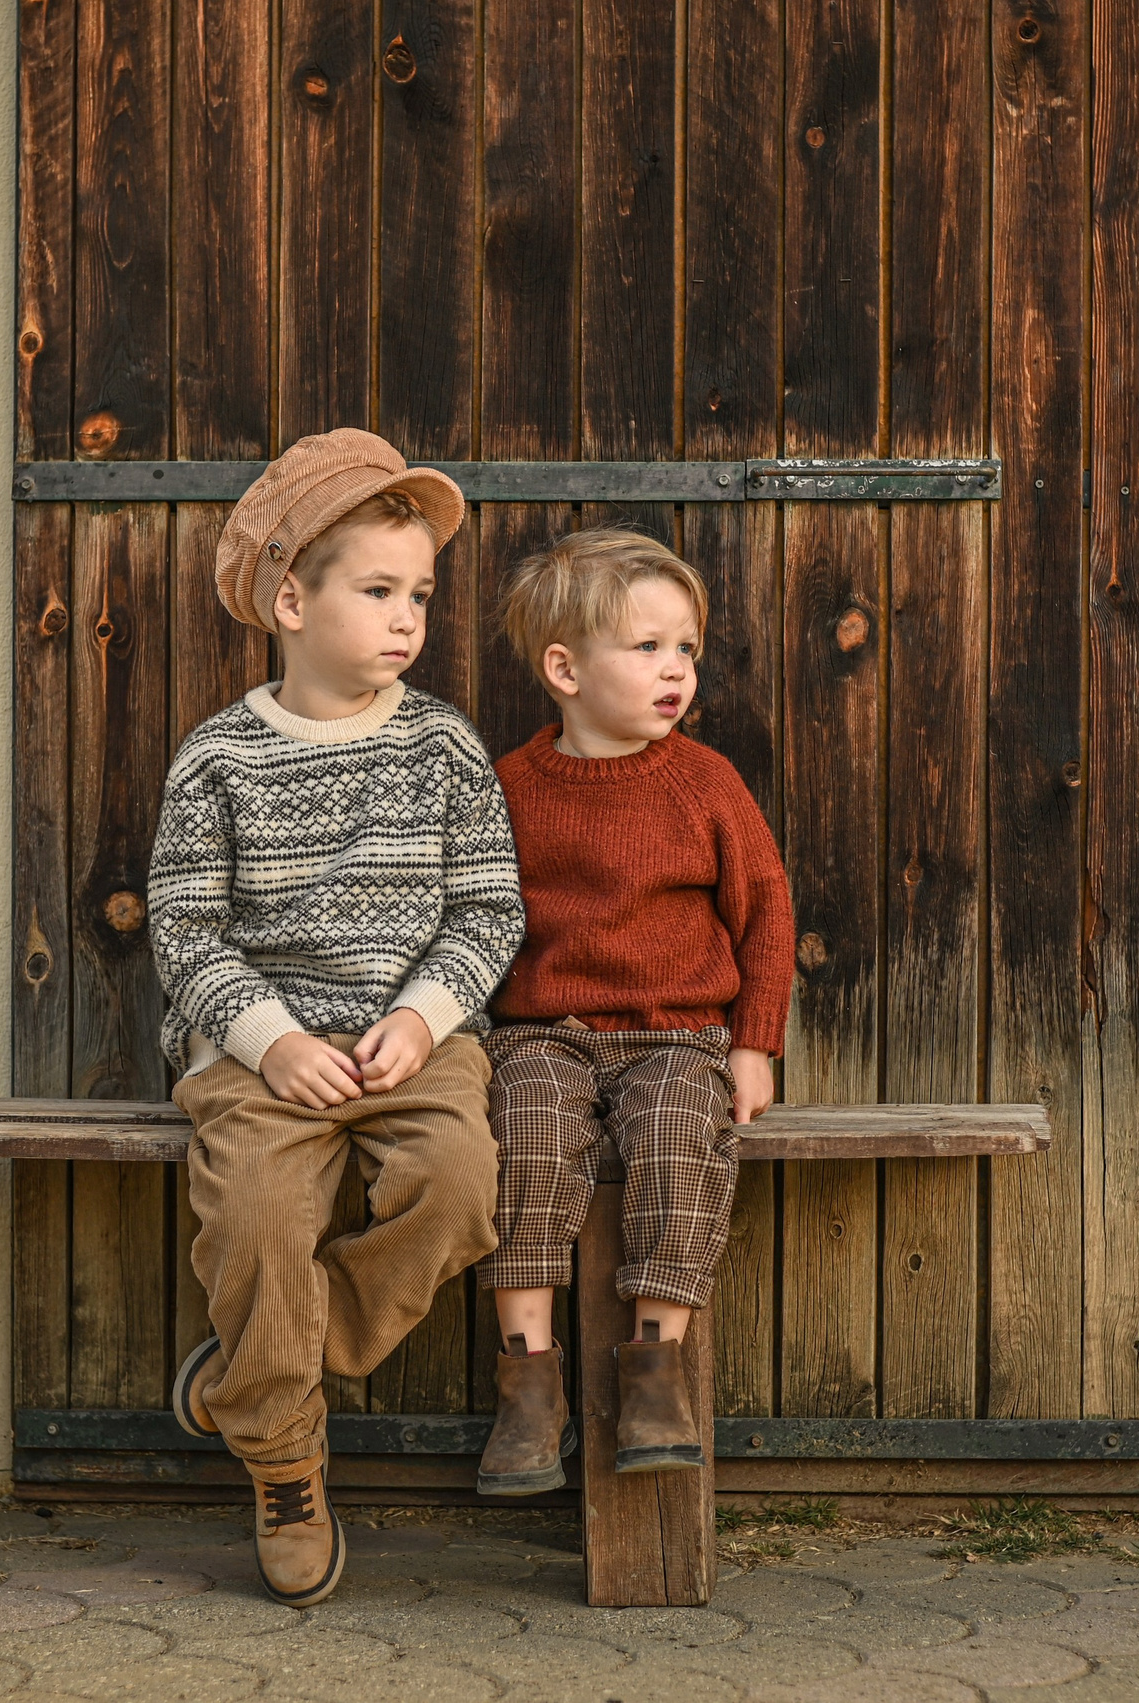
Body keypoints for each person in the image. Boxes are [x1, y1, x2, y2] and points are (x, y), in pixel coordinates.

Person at [149, 428, 524, 1605]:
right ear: (291, 601)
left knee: (460, 1185)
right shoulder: (219, 759)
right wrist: (270, 1041)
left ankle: (256, 1375)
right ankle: (283, 1462)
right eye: (378, 591)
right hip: (256, 1051)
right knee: (258, 1213)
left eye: (419, 594)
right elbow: (184, 929)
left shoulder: (442, 743)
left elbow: (487, 909)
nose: (407, 617)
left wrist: (422, 1017)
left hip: (413, 1041)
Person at [472, 527, 793, 1497]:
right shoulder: (509, 788)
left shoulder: (705, 782)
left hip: (676, 1038)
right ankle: (528, 1381)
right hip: (545, 1034)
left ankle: (656, 1367)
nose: (675, 669)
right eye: (647, 646)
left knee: (677, 1137)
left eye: (686, 647)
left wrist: (754, 1044)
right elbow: (472, 916)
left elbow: (765, 910)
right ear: (564, 669)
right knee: (524, 1137)